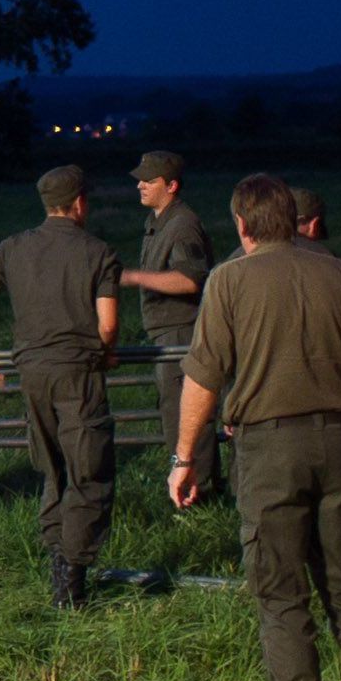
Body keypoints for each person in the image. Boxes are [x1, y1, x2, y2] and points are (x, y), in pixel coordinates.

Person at [171, 173, 341, 681]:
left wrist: (184, 457)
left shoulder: (228, 281)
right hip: (340, 444)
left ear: (241, 223)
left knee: (281, 592)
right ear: (293, 219)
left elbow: (203, 379)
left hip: (268, 451)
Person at [0, 165, 122, 607]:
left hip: (31, 373)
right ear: (79, 203)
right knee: (90, 471)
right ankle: (72, 577)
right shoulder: (99, 252)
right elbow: (107, 326)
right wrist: (106, 351)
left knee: (52, 469)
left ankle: (58, 561)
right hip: (79, 374)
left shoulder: (12, 248)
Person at [121, 150, 215, 501]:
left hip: (181, 330)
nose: (140, 185)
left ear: (172, 185)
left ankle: (199, 492)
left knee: (186, 416)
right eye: (140, 179)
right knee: (173, 413)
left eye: (149, 180)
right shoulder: (159, 221)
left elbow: (191, 280)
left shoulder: (182, 224)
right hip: (166, 330)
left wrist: (133, 277)